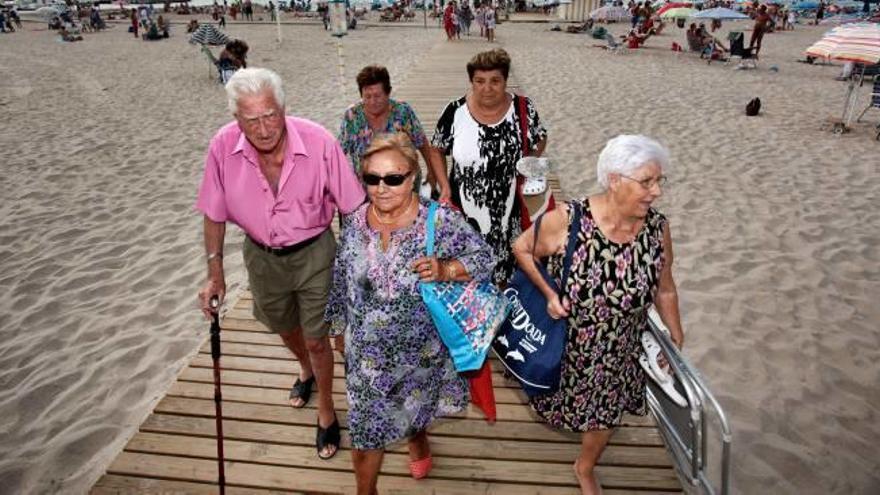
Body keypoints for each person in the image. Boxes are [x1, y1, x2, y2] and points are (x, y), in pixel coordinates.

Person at [195, 68, 365, 460]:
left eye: (270, 114)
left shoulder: (319, 142)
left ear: (284, 108)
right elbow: (213, 212)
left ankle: (325, 410)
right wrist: (215, 274)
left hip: (315, 253)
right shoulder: (222, 146)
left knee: (317, 337)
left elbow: (354, 209)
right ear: (236, 119)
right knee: (283, 325)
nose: (264, 128)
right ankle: (304, 368)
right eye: (251, 118)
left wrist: (361, 265)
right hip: (261, 256)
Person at [512, 135, 684, 495]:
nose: (656, 192)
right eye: (647, 182)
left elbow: (664, 288)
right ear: (615, 179)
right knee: (569, 407)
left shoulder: (657, 229)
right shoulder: (569, 220)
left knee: (606, 415)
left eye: (659, 181)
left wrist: (676, 335)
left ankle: (585, 466)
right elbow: (522, 249)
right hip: (566, 348)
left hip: (620, 352)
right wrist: (549, 293)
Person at [325, 132, 495, 493]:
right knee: (366, 435)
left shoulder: (439, 222)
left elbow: (485, 259)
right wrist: (337, 325)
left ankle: (417, 436)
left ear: (414, 176)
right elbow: (341, 272)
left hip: (423, 354)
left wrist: (447, 269)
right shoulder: (355, 221)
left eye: (393, 178)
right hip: (366, 358)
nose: (381, 188)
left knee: (415, 410)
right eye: (372, 178)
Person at [431, 48, 547, 286]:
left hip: (510, 209)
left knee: (506, 274)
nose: (487, 88)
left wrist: (528, 163)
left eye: (495, 81)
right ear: (471, 82)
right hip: (464, 210)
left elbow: (540, 137)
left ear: (505, 81)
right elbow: (436, 148)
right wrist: (443, 186)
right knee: (465, 273)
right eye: (480, 81)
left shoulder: (523, 108)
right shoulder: (455, 111)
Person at [338, 66, 444, 192]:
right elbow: (338, 154)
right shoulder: (352, 116)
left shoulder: (402, 112)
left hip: (403, 188)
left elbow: (423, 144)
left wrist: (432, 173)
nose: (372, 101)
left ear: (388, 92)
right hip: (365, 190)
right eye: (367, 96)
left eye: (377, 96)